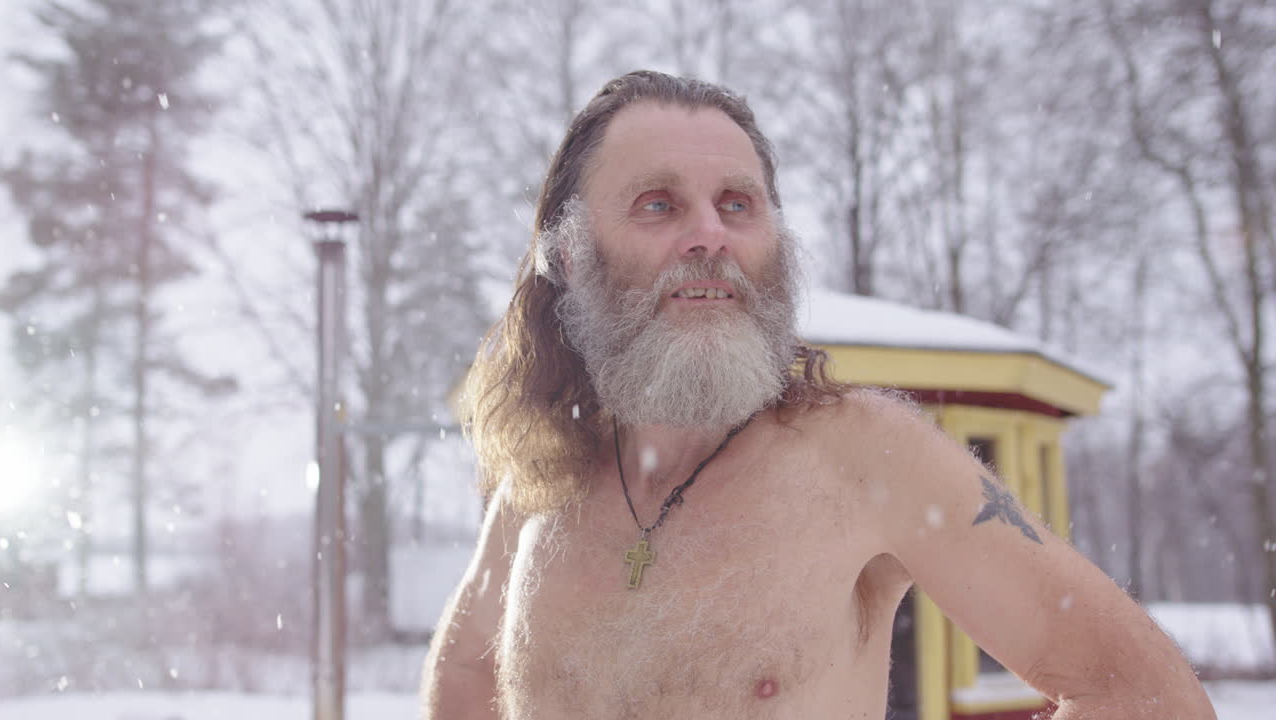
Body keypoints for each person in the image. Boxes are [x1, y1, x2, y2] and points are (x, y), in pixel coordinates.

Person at [420, 70, 1215, 720]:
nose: (710, 234)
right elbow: (461, 685)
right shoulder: (542, 478)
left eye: (738, 204)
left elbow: (1146, 697)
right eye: (658, 205)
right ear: (567, 252)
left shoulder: (867, 454)